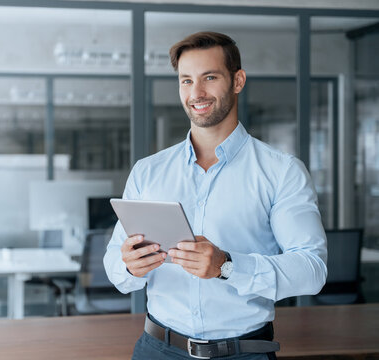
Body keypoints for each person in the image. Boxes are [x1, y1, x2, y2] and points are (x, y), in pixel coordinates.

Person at [103, 32, 327, 360]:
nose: (197, 93)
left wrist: (228, 265)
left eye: (210, 77)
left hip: (243, 353)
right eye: (186, 80)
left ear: (238, 80)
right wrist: (131, 266)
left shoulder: (282, 172)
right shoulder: (148, 171)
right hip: (157, 349)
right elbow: (114, 264)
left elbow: (312, 269)